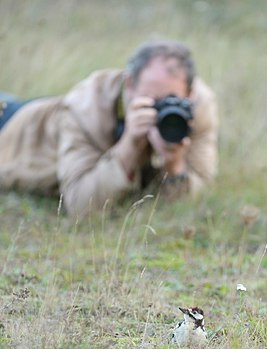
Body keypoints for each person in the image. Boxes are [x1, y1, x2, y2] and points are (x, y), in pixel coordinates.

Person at [0, 40, 218, 217]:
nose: (161, 111)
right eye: (150, 100)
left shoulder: (196, 111)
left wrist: (174, 164)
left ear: (190, 93)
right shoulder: (85, 108)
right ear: (130, 85)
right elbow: (81, 207)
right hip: (13, 130)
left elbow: (197, 192)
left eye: (170, 100)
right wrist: (129, 144)